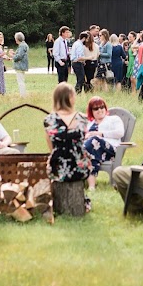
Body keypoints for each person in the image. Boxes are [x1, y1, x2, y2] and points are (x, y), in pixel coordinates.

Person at [44, 82, 92, 212]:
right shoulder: (82, 118)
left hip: (58, 167)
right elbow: (82, 140)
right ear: (71, 97)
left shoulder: (49, 120)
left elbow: (51, 146)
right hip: (79, 165)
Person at [83, 96, 124, 191]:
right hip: (94, 150)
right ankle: (91, 187)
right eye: (96, 108)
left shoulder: (114, 119)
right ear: (91, 111)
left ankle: (81, 153)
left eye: (102, 107)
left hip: (110, 150)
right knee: (91, 155)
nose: (100, 110)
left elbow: (120, 133)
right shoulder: (89, 124)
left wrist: (101, 134)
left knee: (94, 140)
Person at [10, 32, 29, 97]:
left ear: (17, 39)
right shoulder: (23, 45)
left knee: (20, 81)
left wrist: (12, 56)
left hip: (20, 66)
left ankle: (23, 95)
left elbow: (19, 56)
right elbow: (20, 54)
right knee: (21, 80)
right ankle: (23, 95)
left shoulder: (22, 46)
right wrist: (14, 53)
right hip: (22, 65)